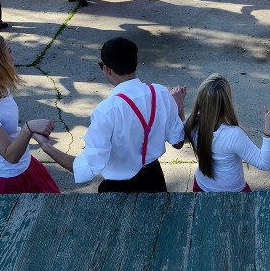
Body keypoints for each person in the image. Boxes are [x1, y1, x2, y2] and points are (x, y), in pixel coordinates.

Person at [34, 37, 186, 193]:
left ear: (107, 69)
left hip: (119, 188)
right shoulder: (161, 93)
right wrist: (178, 107)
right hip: (155, 181)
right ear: (137, 62)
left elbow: (87, 167)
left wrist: (46, 146)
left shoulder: (107, 111)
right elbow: (178, 142)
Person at [0, 35, 59, 194]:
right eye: (9, 51)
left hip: (24, 165)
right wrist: (28, 128)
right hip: (9, 179)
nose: (13, 57)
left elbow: (8, 131)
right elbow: (10, 156)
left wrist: (31, 134)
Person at [185, 74, 270, 192]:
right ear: (227, 103)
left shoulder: (192, 123)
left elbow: (177, 139)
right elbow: (264, 163)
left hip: (201, 186)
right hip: (232, 193)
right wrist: (268, 132)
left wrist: (178, 108)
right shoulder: (233, 135)